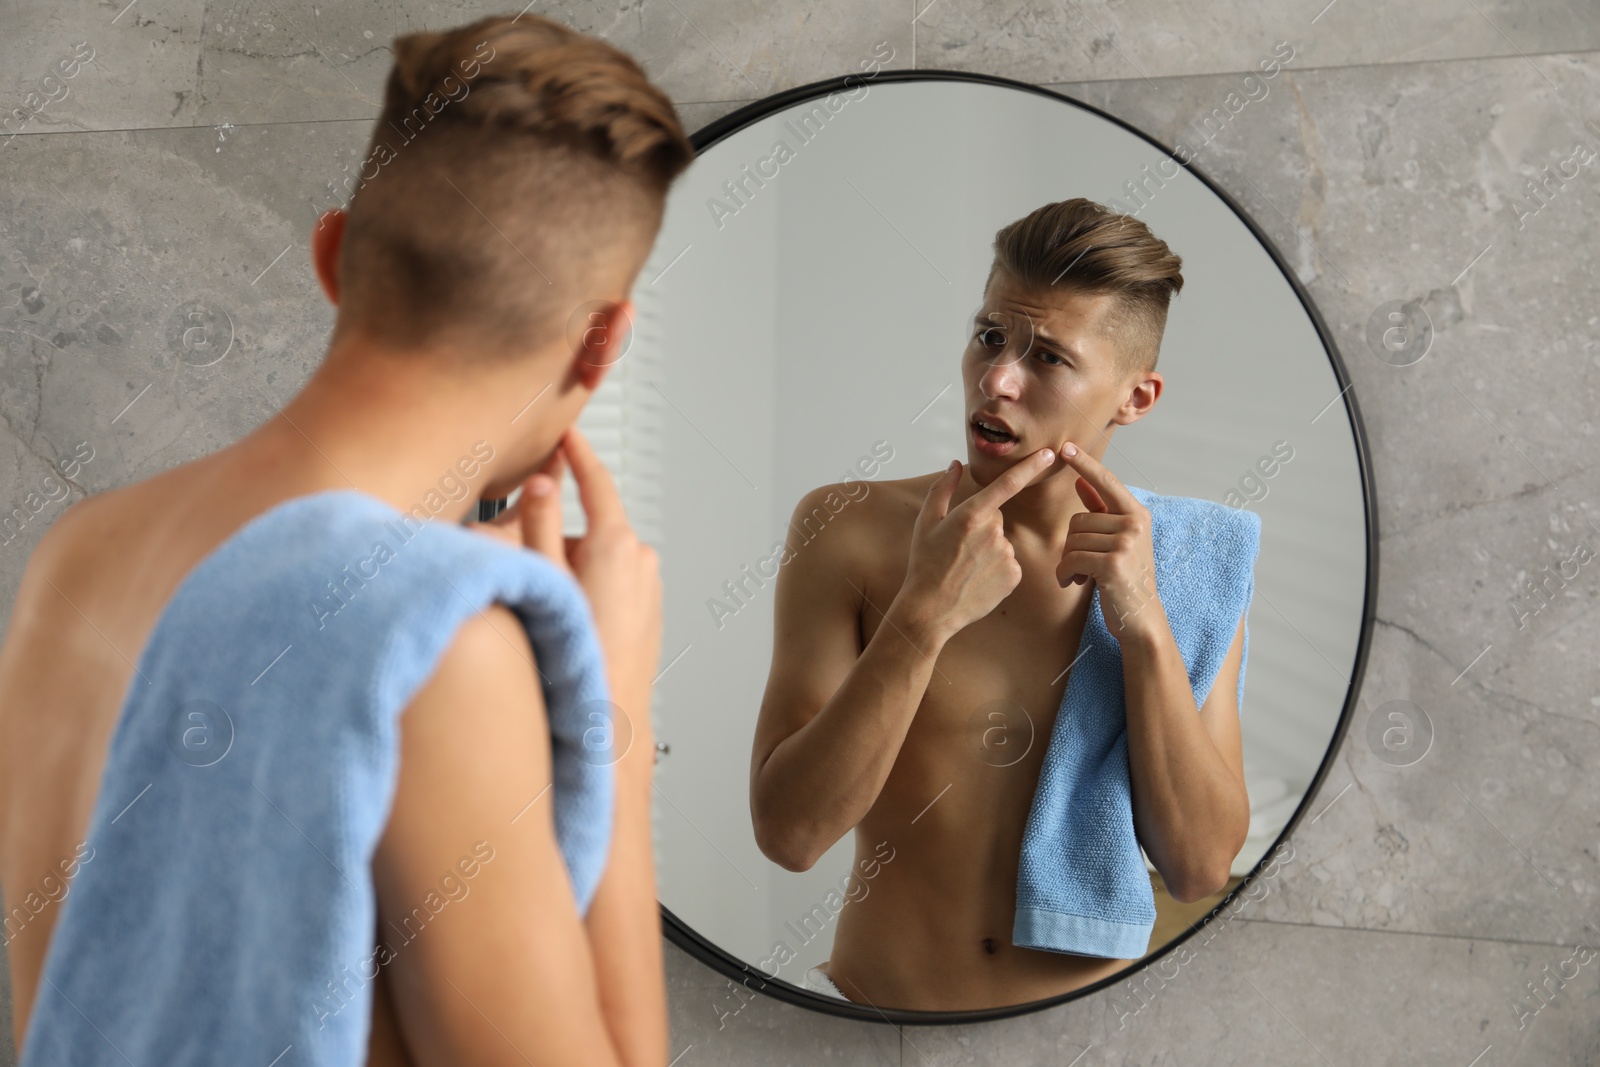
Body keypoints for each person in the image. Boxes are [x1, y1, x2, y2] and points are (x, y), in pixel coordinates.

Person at [0, 13, 691, 1065]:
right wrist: (615, 720)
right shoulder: (439, 643)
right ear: (601, 343)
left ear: (332, 254)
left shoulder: (79, 554)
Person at [749, 199, 1253, 1012]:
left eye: (1048, 357)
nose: (996, 379)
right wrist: (922, 616)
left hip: (1077, 1038)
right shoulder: (847, 529)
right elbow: (790, 835)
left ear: (1136, 397)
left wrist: (1145, 626)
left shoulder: (1188, 564)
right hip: (878, 1024)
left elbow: (1198, 868)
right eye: (990, 336)